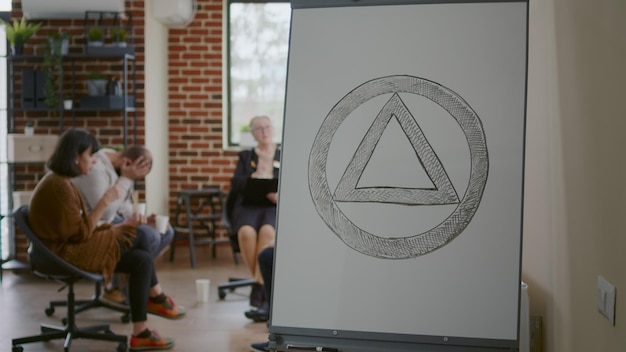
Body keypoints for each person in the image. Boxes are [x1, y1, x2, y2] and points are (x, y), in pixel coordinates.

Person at [28, 128, 184, 351]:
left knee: (141, 259)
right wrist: (105, 201)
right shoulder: (59, 187)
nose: (93, 162)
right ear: (75, 157)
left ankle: (141, 332)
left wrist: (121, 226)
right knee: (140, 235)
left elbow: (80, 228)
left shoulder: (63, 182)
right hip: (63, 254)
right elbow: (81, 233)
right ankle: (155, 296)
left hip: (70, 246)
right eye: (90, 156)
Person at [73, 145, 175, 306]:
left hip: (116, 218)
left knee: (166, 231)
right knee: (149, 236)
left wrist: (145, 219)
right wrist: (126, 179)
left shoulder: (122, 168)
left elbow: (124, 206)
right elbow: (106, 212)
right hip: (99, 224)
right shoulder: (95, 168)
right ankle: (134, 291)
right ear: (127, 162)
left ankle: (124, 285)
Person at [230, 115, 279, 309]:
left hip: (273, 206)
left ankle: (258, 286)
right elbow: (236, 184)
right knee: (246, 232)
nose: (264, 131)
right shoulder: (246, 156)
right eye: (259, 128)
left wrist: (280, 194)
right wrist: (253, 176)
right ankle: (261, 284)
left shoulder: (283, 154)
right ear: (253, 134)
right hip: (249, 205)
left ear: (273, 129)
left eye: (267, 127)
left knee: (268, 232)